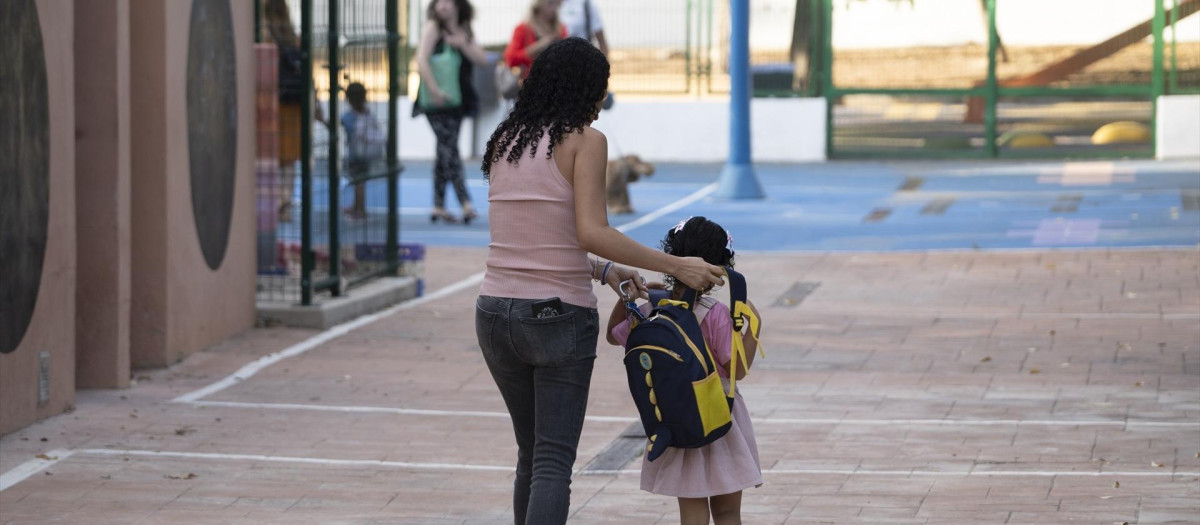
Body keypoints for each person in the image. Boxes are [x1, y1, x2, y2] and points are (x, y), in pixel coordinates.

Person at [477, 38, 726, 525]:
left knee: (531, 455)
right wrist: (677, 266)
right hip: (555, 318)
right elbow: (592, 231)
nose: (601, 104)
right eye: (600, 91)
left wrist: (605, 270)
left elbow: (530, 239)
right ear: (584, 90)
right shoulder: (585, 141)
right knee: (552, 461)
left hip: (493, 313)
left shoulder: (508, 140)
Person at [606, 216, 763, 525]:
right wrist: (753, 328)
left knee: (691, 512)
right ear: (719, 269)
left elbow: (613, 335)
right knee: (728, 511)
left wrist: (630, 299)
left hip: (677, 417)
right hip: (719, 416)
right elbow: (736, 370)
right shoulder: (717, 314)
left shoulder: (654, 309)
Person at [414, 0, 487, 224]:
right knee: (450, 149)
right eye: (438, 2)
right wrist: (435, 90)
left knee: (444, 151)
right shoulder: (433, 28)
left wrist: (461, 43)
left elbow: (481, 59)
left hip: (457, 100)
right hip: (436, 101)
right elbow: (420, 59)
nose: (443, 6)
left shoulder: (464, 29)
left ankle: (438, 205)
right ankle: (465, 203)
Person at [263, 0, 303, 222]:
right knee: (290, 157)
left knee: (272, 155)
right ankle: (285, 203)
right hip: (293, 103)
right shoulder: (291, 35)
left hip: (271, 101)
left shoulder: (265, 34)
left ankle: (276, 200)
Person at [341, 83, 382, 220]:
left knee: (358, 183)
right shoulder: (368, 113)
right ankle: (356, 206)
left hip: (356, 155)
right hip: (367, 153)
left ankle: (360, 210)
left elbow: (337, 125)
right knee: (360, 181)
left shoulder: (349, 117)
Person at [503, 0, 567, 81]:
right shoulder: (523, 28)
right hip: (531, 81)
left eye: (558, 3)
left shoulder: (560, 29)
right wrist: (538, 46)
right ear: (539, 3)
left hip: (556, 81)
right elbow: (510, 58)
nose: (554, 8)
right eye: (550, 2)